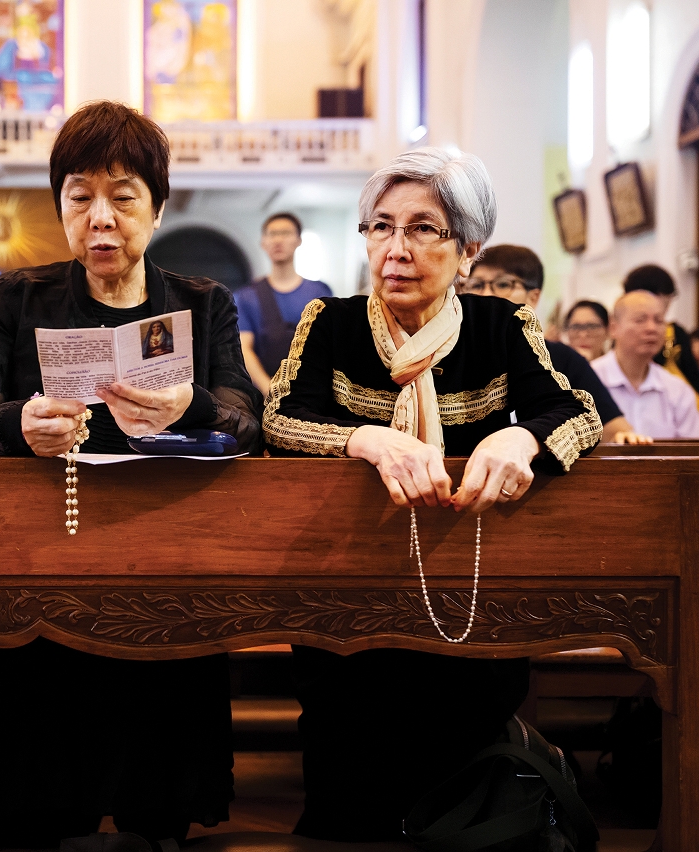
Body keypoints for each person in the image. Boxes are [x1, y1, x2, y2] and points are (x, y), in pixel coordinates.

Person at [0, 100, 262, 851]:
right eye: (79, 197)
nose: (101, 219)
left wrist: (191, 404)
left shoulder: (202, 302)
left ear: (157, 207)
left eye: (123, 197)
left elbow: (248, 423)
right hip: (40, 561)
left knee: (157, 797)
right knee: (27, 795)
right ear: (60, 207)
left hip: (166, 562)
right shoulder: (20, 296)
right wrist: (18, 424)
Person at [263, 147, 601, 841]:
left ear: (468, 250)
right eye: (381, 227)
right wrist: (366, 439)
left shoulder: (500, 326)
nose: (397, 249)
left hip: (464, 594)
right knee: (348, 792)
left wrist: (520, 439)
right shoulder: (330, 322)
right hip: (348, 598)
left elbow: (578, 412)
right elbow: (281, 418)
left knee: (462, 790)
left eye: (423, 229)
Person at [462, 244, 650, 443]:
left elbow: (614, 429)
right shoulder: (451, 354)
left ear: (533, 297)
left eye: (502, 284)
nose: (486, 295)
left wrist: (623, 438)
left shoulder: (562, 358)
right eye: (477, 285)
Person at [235, 213, 333, 393]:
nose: (278, 240)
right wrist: (269, 389)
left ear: (299, 240)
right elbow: (244, 348)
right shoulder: (247, 296)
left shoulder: (319, 292)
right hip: (265, 395)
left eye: (286, 233)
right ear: (263, 242)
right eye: (272, 234)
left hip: (313, 391)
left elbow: (329, 346)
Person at [591, 292, 699, 439]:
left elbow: (694, 449)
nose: (651, 328)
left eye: (659, 321)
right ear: (614, 328)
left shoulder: (677, 389)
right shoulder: (589, 379)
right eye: (640, 320)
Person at [622, 264, 699, 426]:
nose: (651, 330)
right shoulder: (674, 333)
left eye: (658, 322)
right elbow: (694, 379)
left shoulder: (621, 334)